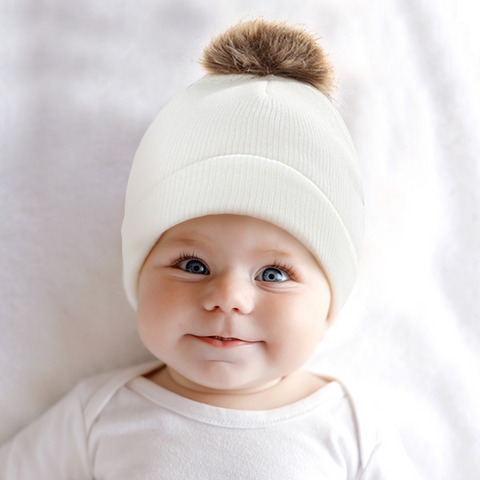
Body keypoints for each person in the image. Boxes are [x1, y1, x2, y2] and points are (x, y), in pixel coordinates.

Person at [0, 17, 422, 479]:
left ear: (329, 304)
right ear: (140, 273)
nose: (228, 297)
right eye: (194, 264)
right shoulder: (96, 416)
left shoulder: (351, 428)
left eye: (273, 274)